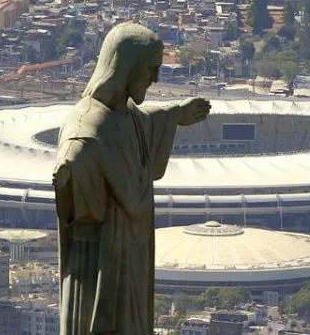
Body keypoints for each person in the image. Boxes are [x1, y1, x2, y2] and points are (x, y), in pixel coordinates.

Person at [53, 23, 211, 335]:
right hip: (101, 257)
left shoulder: (124, 112)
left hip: (131, 252)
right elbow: (76, 148)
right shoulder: (87, 124)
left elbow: (140, 122)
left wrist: (173, 114)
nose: (155, 79)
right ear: (126, 69)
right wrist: (69, 166)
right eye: (151, 69)